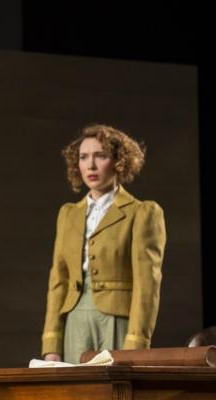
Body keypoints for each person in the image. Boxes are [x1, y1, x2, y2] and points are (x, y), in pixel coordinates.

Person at [41, 124, 166, 364]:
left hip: (118, 319)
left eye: (101, 156)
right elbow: (59, 280)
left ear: (119, 161)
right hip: (75, 319)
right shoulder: (68, 214)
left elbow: (147, 284)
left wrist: (136, 341)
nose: (91, 165)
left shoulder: (142, 212)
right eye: (83, 157)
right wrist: (51, 343)